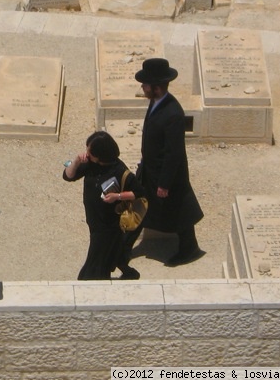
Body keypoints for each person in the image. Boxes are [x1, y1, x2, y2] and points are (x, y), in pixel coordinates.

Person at [122, 57, 205, 268]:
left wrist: (164, 183)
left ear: (157, 88)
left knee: (178, 211)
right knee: (140, 204)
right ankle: (124, 248)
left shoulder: (173, 113)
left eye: (146, 84)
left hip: (166, 174)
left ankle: (189, 249)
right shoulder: (156, 103)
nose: (142, 87)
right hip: (150, 169)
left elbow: (174, 152)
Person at [63, 131, 143, 280]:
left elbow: (139, 193)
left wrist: (117, 196)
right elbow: (68, 176)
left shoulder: (119, 170)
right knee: (112, 251)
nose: (87, 154)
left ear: (102, 154)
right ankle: (128, 271)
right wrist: (76, 161)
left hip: (109, 224)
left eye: (90, 151)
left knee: (94, 266)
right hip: (94, 219)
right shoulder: (91, 164)